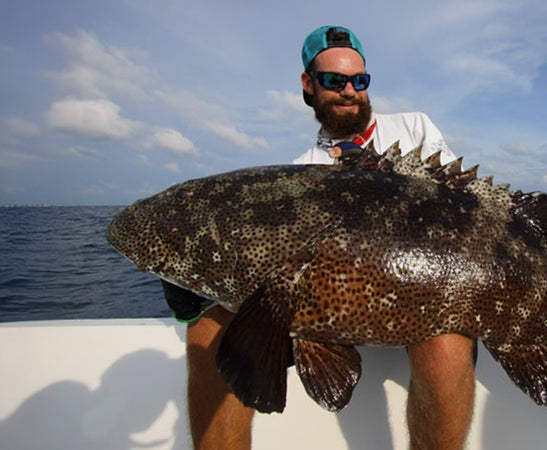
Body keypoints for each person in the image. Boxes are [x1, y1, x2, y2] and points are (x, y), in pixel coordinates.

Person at [183, 25, 476, 450]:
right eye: (335, 81)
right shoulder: (301, 170)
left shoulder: (415, 129)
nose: (349, 91)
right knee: (206, 328)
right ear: (309, 84)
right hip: (332, 310)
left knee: (446, 343)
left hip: (422, 294)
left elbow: (459, 209)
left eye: (360, 81)